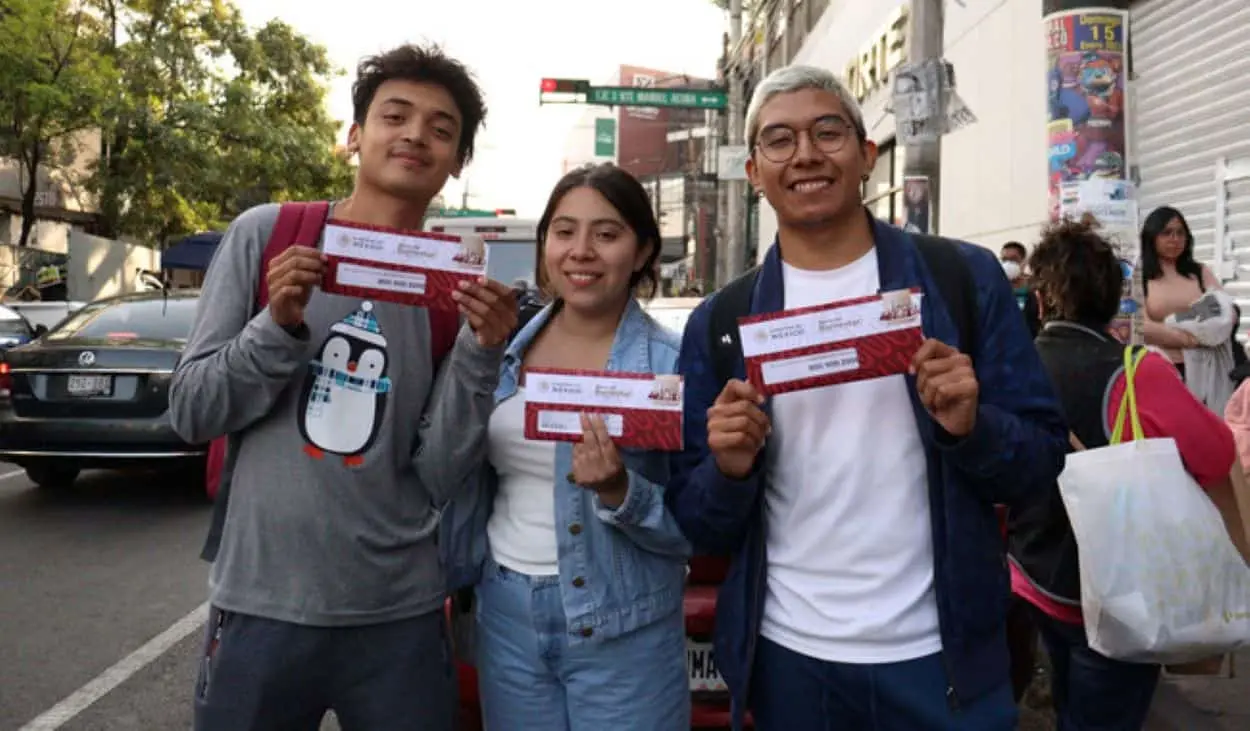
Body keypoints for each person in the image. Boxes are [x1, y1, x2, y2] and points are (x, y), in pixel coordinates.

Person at [664, 64, 1068, 731]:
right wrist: (729, 469)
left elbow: (1040, 460)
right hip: (790, 655)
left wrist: (972, 427)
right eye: (779, 140)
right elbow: (698, 519)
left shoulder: (961, 279)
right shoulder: (721, 322)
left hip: (943, 657)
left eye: (828, 131)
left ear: (866, 155)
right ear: (754, 174)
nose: (806, 154)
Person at [169, 44, 517, 731]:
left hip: (401, 617)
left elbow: (441, 471)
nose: (416, 134)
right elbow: (192, 410)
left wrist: (483, 352)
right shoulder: (268, 235)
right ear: (355, 135)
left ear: (457, 163)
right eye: (396, 115)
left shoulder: (449, 282)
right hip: (261, 604)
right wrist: (277, 323)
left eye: (441, 129)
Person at [441, 163, 691, 730]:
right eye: (563, 231)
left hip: (623, 625)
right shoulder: (497, 349)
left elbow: (702, 523)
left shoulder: (672, 367)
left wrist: (621, 491)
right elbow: (444, 465)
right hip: (506, 616)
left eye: (606, 234)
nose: (581, 251)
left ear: (643, 251)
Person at [1010, 218, 1236, 730]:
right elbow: (1217, 453)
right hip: (1119, 599)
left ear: (1041, 302)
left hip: (1034, 577)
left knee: (1068, 702)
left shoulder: (1013, 368)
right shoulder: (1139, 371)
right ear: (1115, 300)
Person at [1141, 206, 1219, 376]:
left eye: (1180, 233)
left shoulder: (1200, 272)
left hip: (1204, 369)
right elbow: (1141, 327)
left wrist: (1168, 329)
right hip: (1157, 368)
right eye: (1167, 233)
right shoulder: (1139, 276)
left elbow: (1220, 312)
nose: (1175, 239)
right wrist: (1190, 339)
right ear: (1152, 237)